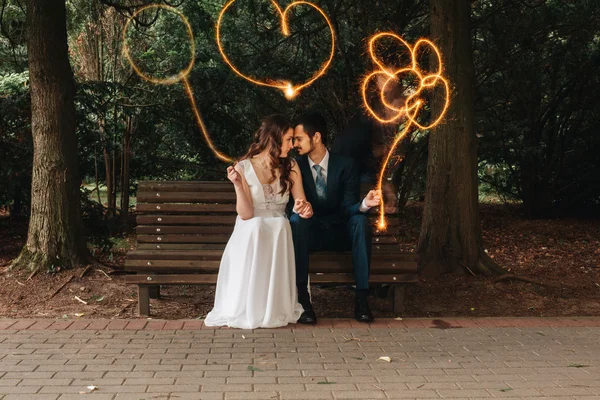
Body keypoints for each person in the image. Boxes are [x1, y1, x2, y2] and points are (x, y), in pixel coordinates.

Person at [204, 114, 313, 329]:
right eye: (289, 139)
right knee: (256, 226)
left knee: (281, 224)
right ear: (274, 138)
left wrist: (305, 209)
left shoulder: (290, 166)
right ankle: (251, 305)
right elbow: (245, 214)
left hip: (278, 229)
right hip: (251, 227)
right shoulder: (243, 167)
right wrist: (236, 184)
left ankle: (275, 305)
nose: (292, 145)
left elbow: (301, 204)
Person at [289, 111, 381, 324]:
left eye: (299, 138)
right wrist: (300, 209)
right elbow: (290, 205)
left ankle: (362, 300)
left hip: (340, 232)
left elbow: (349, 208)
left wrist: (365, 204)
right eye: (293, 139)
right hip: (309, 233)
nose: (295, 144)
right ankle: (304, 302)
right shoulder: (296, 166)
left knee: (360, 221)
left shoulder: (345, 165)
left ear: (317, 137)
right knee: (296, 221)